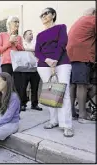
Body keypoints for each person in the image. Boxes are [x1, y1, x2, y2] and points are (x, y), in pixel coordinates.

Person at [35, 7, 73, 137]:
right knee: (50, 93)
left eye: (46, 13)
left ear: (53, 15)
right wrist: (47, 60)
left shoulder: (61, 27)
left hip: (61, 62)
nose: (43, 16)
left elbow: (62, 43)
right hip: (44, 64)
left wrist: (54, 60)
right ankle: (53, 120)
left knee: (64, 92)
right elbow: (37, 51)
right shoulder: (39, 35)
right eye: (41, 14)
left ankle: (66, 124)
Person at [67, 8, 96, 123]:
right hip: (82, 56)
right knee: (82, 85)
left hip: (71, 57)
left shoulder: (79, 21)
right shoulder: (93, 20)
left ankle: (72, 112)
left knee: (73, 85)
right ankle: (82, 115)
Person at [0, 16, 24, 98]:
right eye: (15, 21)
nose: (17, 24)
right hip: (6, 63)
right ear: (9, 23)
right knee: (5, 84)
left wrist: (16, 44)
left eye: (18, 22)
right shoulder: (2, 34)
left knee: (18, 84)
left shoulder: (19, 37)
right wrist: (9, 42)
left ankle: (18, 103)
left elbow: (22, 50)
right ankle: (5, 101)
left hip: (17, 63)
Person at [17, 30, 42, 111]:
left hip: (35, 68)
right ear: (24, 36)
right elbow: (21, 50)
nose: (32, 35)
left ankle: (34, 104)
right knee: (23, 87)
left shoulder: (35, 44)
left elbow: (38, 51)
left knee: (35, 87)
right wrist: (32, 50)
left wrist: (29, 49)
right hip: (25, 68)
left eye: (32, 34)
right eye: (30, 34)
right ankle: (23, 104)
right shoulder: (22, 44)